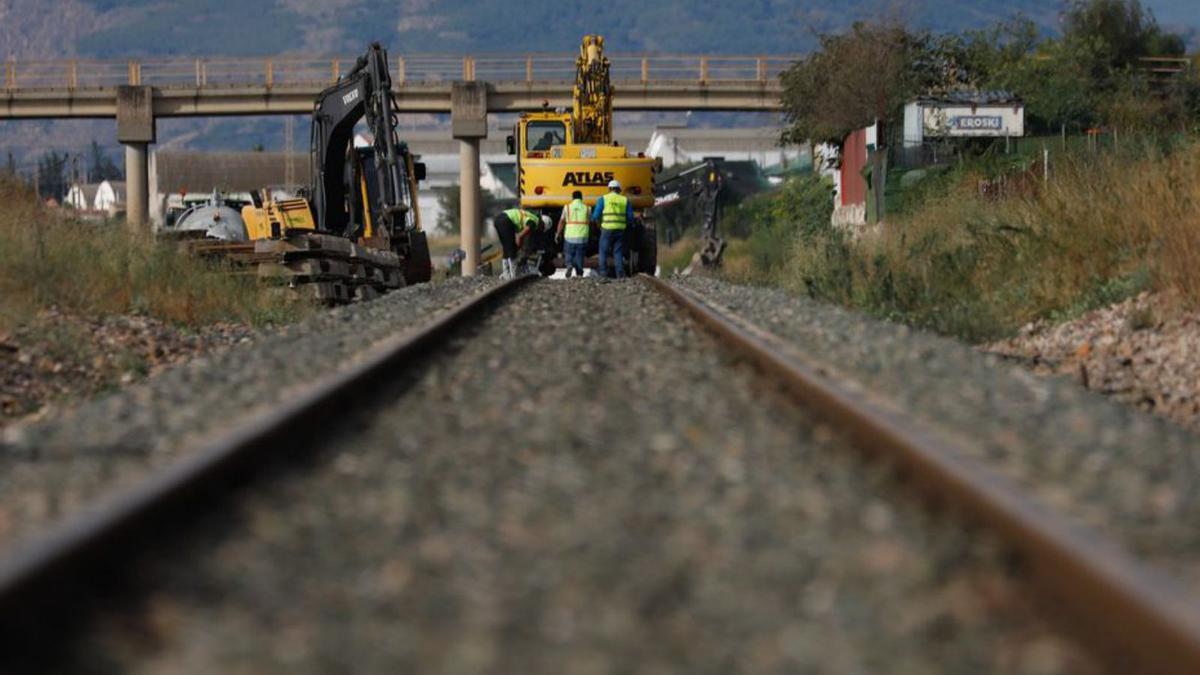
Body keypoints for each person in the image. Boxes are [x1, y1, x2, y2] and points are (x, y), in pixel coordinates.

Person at [591, 179, 634, 278]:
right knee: (618, 252)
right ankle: (620, 274)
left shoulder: (603, 199)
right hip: (620, 230)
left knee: (603, 251)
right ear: (619, 189)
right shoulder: (624, 200)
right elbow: (630, 217)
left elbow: (595, 216)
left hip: (606, 229)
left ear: (609, 189)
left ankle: (603, 274)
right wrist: (624, 224)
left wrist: (599, 226)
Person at [494, 207, 539, 279]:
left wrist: (518, 245)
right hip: (506, 220)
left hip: (498, 219)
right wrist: (519, 237)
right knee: (511, 250)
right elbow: (529, 226)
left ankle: (506, 274)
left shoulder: (526, 217)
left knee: (506, 249)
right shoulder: (535, 221)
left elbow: (521, 237)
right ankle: (514, 275)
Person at [556, 190, 589, 278]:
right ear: (581, 198)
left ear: (572, 198)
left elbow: (562, 221)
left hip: (569, 236)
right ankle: (579, 273)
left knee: (569, 253)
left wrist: (558, 233)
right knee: (579, 255)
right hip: (582, 236)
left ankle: (569, 265)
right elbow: (591, 222)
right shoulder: (587, 208)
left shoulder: (567, 207)